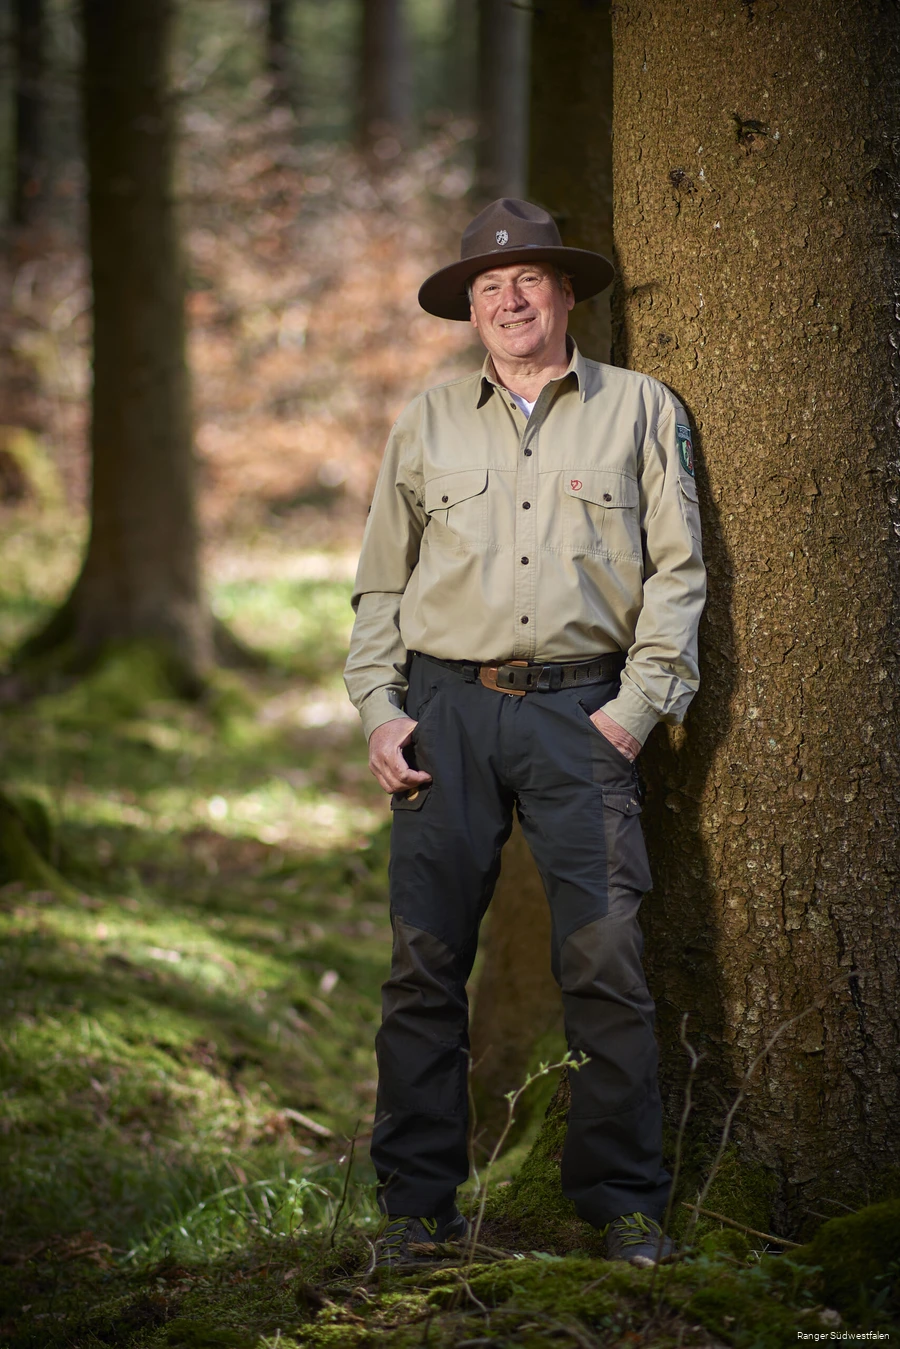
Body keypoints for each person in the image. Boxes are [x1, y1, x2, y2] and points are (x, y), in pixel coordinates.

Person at [344, 198, 706, 1268]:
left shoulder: (642, 408)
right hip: (443, 713)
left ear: (568, 294)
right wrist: (380, 707)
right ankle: (416, 1210)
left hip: (580, 712)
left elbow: (681, 571)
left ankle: (623, 1206)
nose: (508, 296)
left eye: (529, 279)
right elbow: (379, 580)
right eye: (487, 286)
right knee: (423, 964)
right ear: (468, 308)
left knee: (606, 959)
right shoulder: (426, 420)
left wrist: (636, 708)